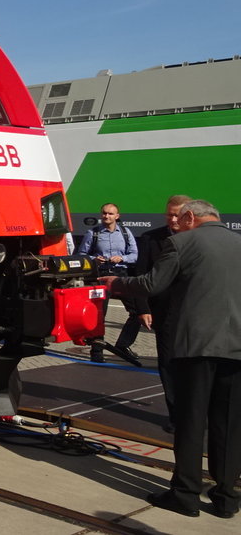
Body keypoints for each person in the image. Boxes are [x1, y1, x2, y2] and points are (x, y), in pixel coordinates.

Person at [101, 199, 241, 519]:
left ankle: (186, 494)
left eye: (181, 218)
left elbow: (153, 284)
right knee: (230, 424)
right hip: (237, 348)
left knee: (191, 421)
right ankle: (227, 497)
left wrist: (116, 284)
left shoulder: (181, 242)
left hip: (196, 346)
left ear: (191, 216)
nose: (176, 223)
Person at [135, 195, 192, 433]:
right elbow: (140, 275)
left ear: (188, 215)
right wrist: (143, 309)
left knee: (193, 366)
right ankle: (176, 416)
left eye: (177, 214)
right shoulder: (151, 239)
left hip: (196, 313)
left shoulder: (198, 239)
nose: (173, 219)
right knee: (168, 364)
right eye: (169, 214)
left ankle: (198, 414)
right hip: (165, 312)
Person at [77, 202, 139, 362]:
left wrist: (122, 258)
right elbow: (82, 254)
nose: (107, 216)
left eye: (111, 214)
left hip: (121, 275)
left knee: (137, 312)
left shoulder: (125, 233)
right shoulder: (93, 233)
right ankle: (97, 351)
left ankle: (123, 345)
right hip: (101, 276)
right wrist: (93, 259)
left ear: (117, 216)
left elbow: (134, 255)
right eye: (104, 213)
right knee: (98, 315)